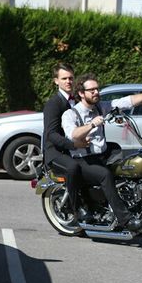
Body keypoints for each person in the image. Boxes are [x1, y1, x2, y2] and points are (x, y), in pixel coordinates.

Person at [61, 73, 142, 230]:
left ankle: (134, 202)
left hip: (102, 155)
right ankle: (125, 220)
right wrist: (92, 125)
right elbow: (73, 134)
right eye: (91, 90)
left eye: (97, 89)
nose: (96, 92)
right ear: (81, 93)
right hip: (83, 159)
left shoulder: (101, 107)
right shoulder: (71, 114)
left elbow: (127, 101)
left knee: (130, 164)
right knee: (104, 175)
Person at [42, 63, 89, 221]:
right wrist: (73, 145)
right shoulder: (53, 104)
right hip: (55, 152)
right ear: (56, 81)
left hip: (74, 149)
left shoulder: (77, 99)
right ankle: (75, 208)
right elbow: (52, 135)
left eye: (71, 78)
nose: (68, 81)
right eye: (64, 78)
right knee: (73, 167)